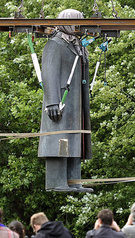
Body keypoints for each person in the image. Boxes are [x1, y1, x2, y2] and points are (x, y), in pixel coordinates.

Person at [37, 9, 92, 192]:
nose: (81, 26)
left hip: (76, 105)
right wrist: (52, 101)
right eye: (78, 22)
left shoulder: (79, 46)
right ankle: (57, 181)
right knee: (59, 141)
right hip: (61, 102)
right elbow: (49, 73)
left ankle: (74, 181)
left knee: (76, 141)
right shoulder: (55, 44)